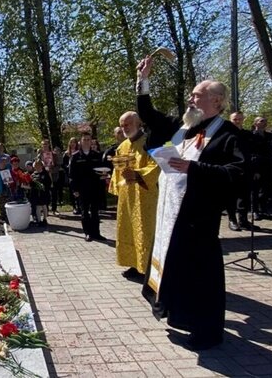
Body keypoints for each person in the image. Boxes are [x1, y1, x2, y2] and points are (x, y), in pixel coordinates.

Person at [135, 54, 244, 351]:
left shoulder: (227, 134)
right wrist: (143, 80)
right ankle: (178, 316)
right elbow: (149, 114)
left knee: (201, 276)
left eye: (197, 95)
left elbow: (237, 172)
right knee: (176, 268)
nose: (191, 99)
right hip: (172, 213)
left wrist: (195, 169)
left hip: (199, 217)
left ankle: (207, 332)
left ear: (217, 101)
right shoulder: (184, 127)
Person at [110, 111, 159, 280]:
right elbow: (119, 173)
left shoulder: (150, 143)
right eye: (122, 125)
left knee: (145, 231)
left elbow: (156, 167)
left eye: (128, 124)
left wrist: (138, 174)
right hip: (127, 196)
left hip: (146, 196)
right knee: (128, 230)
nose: (124, 128)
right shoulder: (121, 147)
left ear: (138, 124)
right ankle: (133, 264)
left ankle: (147, 267)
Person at [69, 132, 107, 242]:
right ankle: (87, 233)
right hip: (82, 189)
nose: (86, 141)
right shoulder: (75, 157)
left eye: (88, 139)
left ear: (91, 141)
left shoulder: (96, 155)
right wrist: (74, 189)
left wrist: (102, 183)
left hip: (95, 189)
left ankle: (96, 233)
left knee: (95, 212)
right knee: (85, 212)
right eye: (84, 139)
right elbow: (72, 175)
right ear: (80, 142)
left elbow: (101, 172)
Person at [227, 112, 253, 231]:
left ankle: (243, 220)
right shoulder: (225, 135)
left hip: (246, 169)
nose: (237, 121)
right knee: (231, 196)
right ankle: (232, 220)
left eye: (239, 119)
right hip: (230, 169)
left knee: (245, 197)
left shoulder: (248, 135)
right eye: (234, 119)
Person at [250, 117, 272, 220]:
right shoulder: (251, 136)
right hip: (257, 166)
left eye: (265, 121)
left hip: (268, 166)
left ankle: (263, 210)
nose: (264, 123)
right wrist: (254, 169)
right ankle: (254, 211)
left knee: (266, 190)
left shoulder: (270, 136)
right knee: (255, 190)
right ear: (255, 123)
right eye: (261, 121)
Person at [30, 160, 51, 226]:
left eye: (39, 165)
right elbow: (31, 184)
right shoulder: (33, 174)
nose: (37, 167)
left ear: (42, 166)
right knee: (38, 207)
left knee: (44, 206)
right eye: (36, 166)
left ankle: (45, 219)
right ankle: (39, 220)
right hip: (36, 193)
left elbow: (49, 182)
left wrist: (44, 187)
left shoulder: (45, 173)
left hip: (44, 193)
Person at [63, 137, 81, 215]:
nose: (73, 144)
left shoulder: (79, 153)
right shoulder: (67, 153)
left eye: (74, 142)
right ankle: (75, 207)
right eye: (71, 142)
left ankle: (80, 206)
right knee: (72, 192)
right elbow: (63, 164)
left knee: (79, 191)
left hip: (79, 175)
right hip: (71, 176)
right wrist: (68, 167)